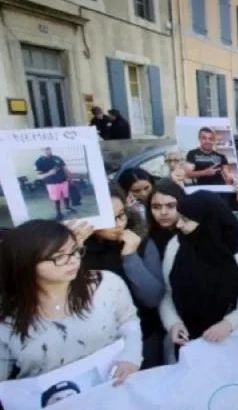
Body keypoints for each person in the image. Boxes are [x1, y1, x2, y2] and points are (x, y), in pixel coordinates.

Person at [0, 220, 142, 383]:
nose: (73, 260)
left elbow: (128, 320)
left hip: (114, 389)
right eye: (58, 257)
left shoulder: (106, 284)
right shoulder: (7, 315)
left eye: (75, 251)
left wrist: (131, 356)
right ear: (26, 262)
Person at [161, 191, 238, 347]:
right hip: (187, 343)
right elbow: (169, 294)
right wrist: (173, 323)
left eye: (185, 220)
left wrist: (229, 323)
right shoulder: (176, 245)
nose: (178, 225)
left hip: (235, 341)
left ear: (207, 221)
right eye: (179, 218)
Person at [81, 183, 166, 369]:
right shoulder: (78, 253)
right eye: (108, 218)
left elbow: (153, 298)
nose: (119, 224)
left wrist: (130, 256)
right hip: (96, 349)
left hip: (146, 336)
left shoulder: (140, 241)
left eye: (121, 215)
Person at [35, 147, 76, 221]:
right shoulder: (39, 162)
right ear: (40, 150)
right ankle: (58, 213)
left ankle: (67, 207)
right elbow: (39, 176)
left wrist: (70, 178)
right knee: (56, 199)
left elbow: (65, 169)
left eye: (48, 149)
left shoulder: (57, 158)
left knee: (66, 196)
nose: (46, 151)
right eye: (44, 149)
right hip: (52, 184)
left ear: (50, 149)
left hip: (64, 181)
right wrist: (49, 173)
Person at [148, 179, 186, 259]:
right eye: (156, 207)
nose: (163, 212)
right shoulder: (147, 240)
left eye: (171, 206)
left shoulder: (193, 234)